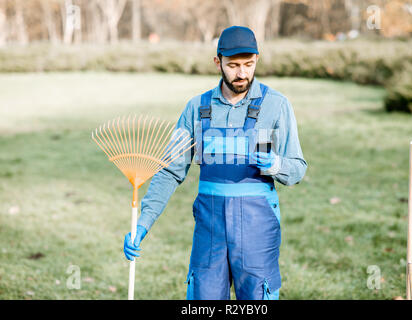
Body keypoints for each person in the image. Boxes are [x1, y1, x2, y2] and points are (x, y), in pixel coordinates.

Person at [123, 26, 308, 300]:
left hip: (258, 229)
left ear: (257, 59)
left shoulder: (276, 105)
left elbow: (297, 169)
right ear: (217, 62)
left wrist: (275, 164)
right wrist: (143, 224)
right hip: (210, 232)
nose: (242, 73)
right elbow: (170, 171)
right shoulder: (197, 109)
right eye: (233, 65)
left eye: (249, 64)